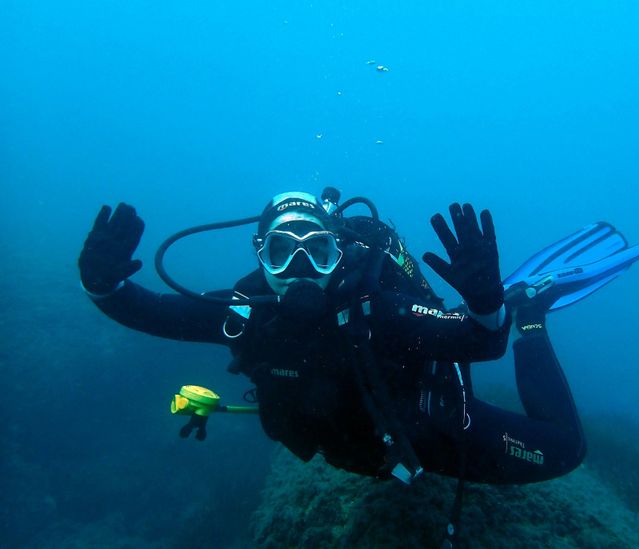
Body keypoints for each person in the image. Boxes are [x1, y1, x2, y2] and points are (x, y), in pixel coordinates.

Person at [78, 190, 588, 488]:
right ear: (260, 254)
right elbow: (151, 312)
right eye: (282, 251)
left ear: (337, 252)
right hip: (356, 451)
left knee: (566, 451)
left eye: (316, 250)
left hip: (428, 435)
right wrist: (102, 284)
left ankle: (533, 319)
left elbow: (481, 344)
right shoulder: (242, 314)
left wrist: (487, 305)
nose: (300, 269)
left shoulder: (376, 310)